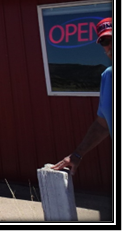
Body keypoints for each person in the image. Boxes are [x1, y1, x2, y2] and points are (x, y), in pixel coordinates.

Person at [52, 17, 112, 175]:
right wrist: (77, 154)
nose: (110, 45)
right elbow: (102, 124)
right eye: (105, 41)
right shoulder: (107, 77)